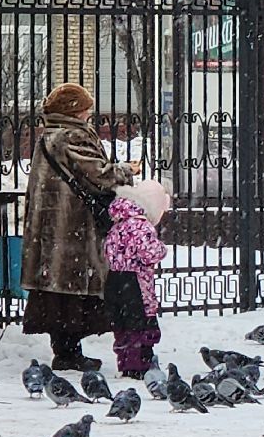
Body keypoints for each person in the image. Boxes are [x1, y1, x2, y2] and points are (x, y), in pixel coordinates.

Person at [20, 83, 139, 370]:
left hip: (51, 224)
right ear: (75, 109)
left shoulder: (48, 135)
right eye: (86, 107)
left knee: (56, 290)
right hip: (71, 223)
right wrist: (127, 171)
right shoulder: (71, 135)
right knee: (72, 288)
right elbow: (97, 173)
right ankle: (69, 353)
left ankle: (65, 349)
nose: (89, 113)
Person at [104, 180, 171, 378]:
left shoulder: (118, 224)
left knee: (123, 326)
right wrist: (162, 249)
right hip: (135, 283)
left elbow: (107, 250)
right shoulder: (141, 226)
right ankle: (139, 363)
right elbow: (149, 253)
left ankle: (125, 361)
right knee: (140, 325)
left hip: (115, 279)